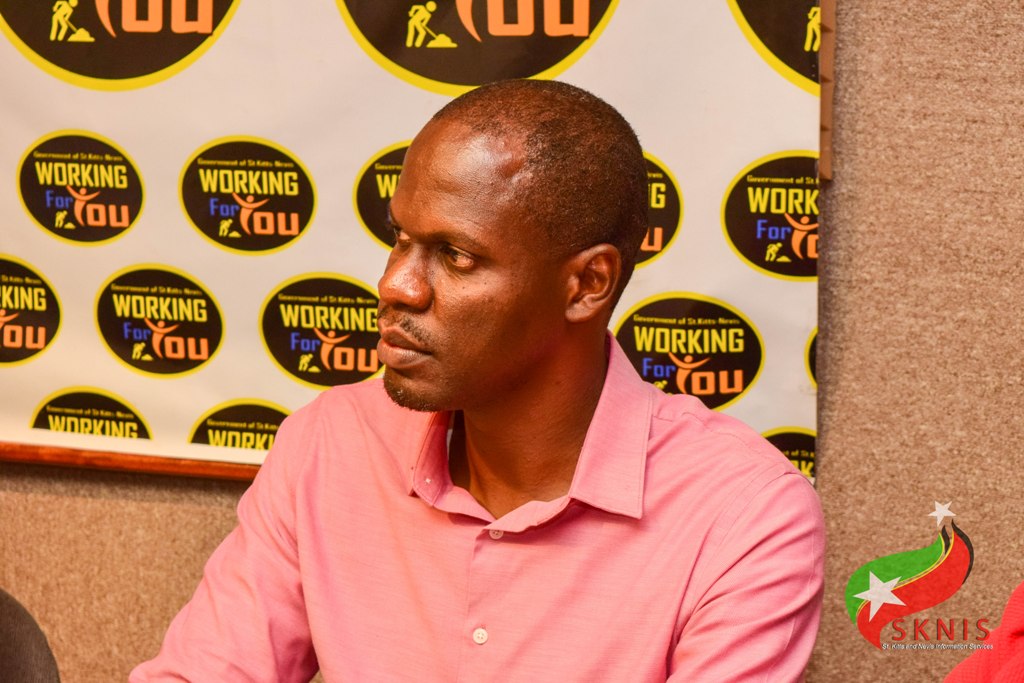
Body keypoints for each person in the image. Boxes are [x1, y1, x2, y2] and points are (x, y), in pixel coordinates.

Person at [131, 79, 824, 681]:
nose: (396, 286)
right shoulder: (330, 443)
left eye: (456, 255)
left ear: (588, 283)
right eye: (400, 239)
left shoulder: (745, 518)